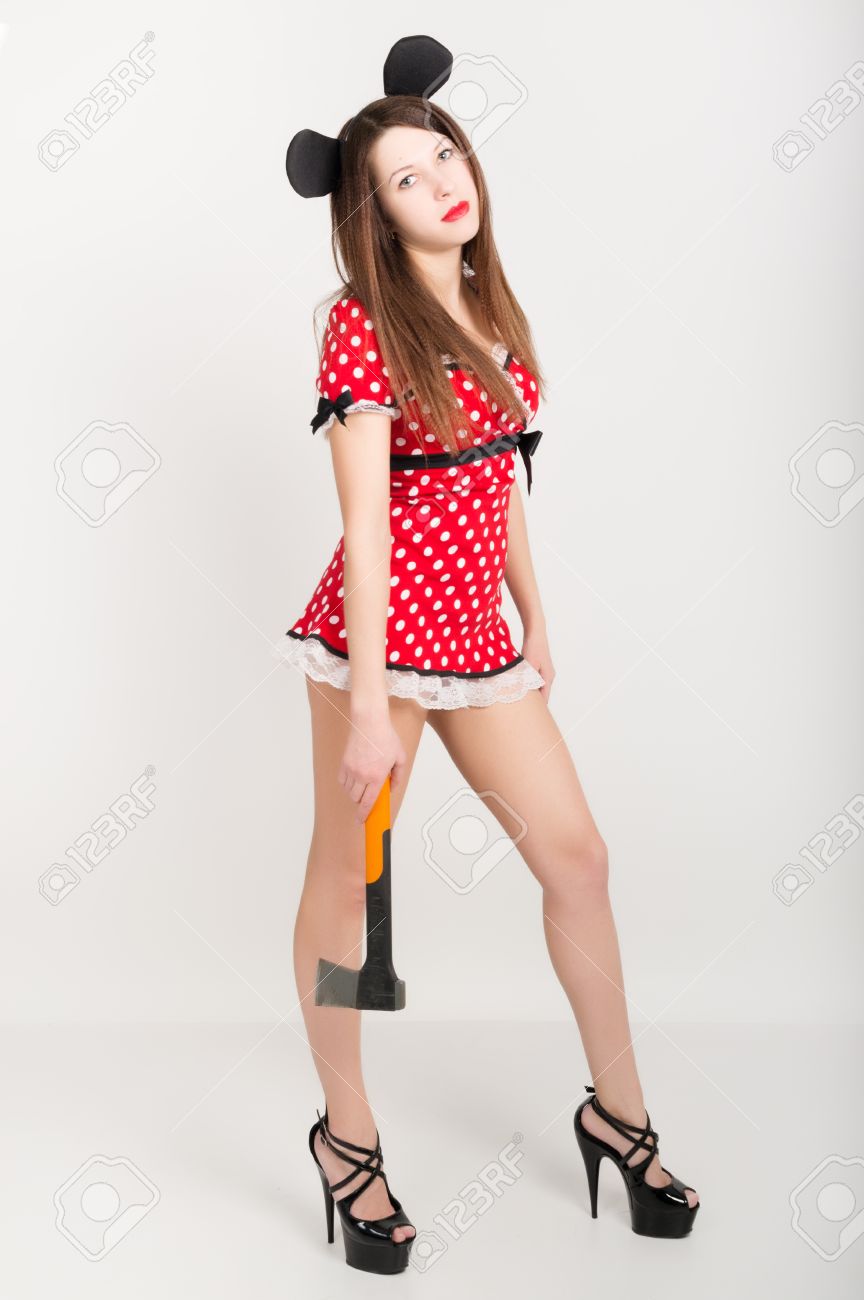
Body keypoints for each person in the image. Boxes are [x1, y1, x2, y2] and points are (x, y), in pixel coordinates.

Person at [280, 35, 700, 1275]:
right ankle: (346, 1139)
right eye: (407, 178)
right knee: (348, 888)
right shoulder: (360, 323)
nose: (441, 182)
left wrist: (536, 615)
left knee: (579, 858)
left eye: (445, 154)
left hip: (475, 640)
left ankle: (618, 1116)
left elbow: (500, 482)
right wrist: (369, 707)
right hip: (377, 646)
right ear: (374, 213)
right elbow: (366, 527)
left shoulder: (493, 308)